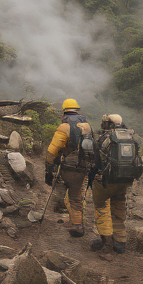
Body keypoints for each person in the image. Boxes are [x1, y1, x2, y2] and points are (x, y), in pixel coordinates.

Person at [89, 114, 143, 253]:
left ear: (108, 124)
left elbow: (97, 159)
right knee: (118, 209)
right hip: (124, 181)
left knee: (102, 208)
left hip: (106, 181)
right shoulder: (131, 137)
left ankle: (106, 242)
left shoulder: (105, 138)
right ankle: (120, 242)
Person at [45, 99, 96, 238]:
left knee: (63, 192)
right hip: (83, 168)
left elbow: (52, 151)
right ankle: (77, 224)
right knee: (76, 197)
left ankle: (62, 214)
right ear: (77, 110)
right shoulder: (87, 126)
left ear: (64, 111)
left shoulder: (64, 127)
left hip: (67, 167)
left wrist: (49, 169)